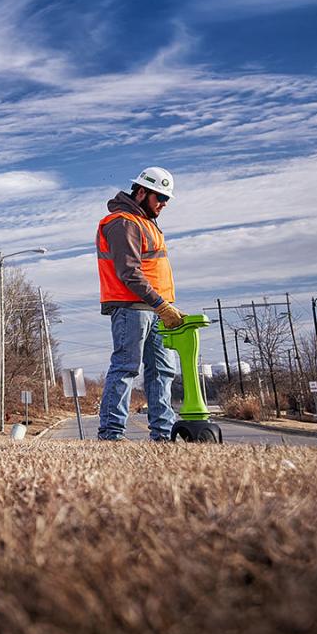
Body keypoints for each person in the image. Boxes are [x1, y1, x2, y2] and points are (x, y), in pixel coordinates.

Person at [96, 166, 184, 442]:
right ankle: (111, 433)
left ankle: (163, 433)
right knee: (126, 367)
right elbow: (129, 273)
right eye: (159, 197)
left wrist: (166, 305)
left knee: (163, 370)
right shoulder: (123, 222)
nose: (164, 203)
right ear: (142, 191)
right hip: (132, 308)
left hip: (157, 309)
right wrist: (161, 304)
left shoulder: (145, 222)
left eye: (166, 198)